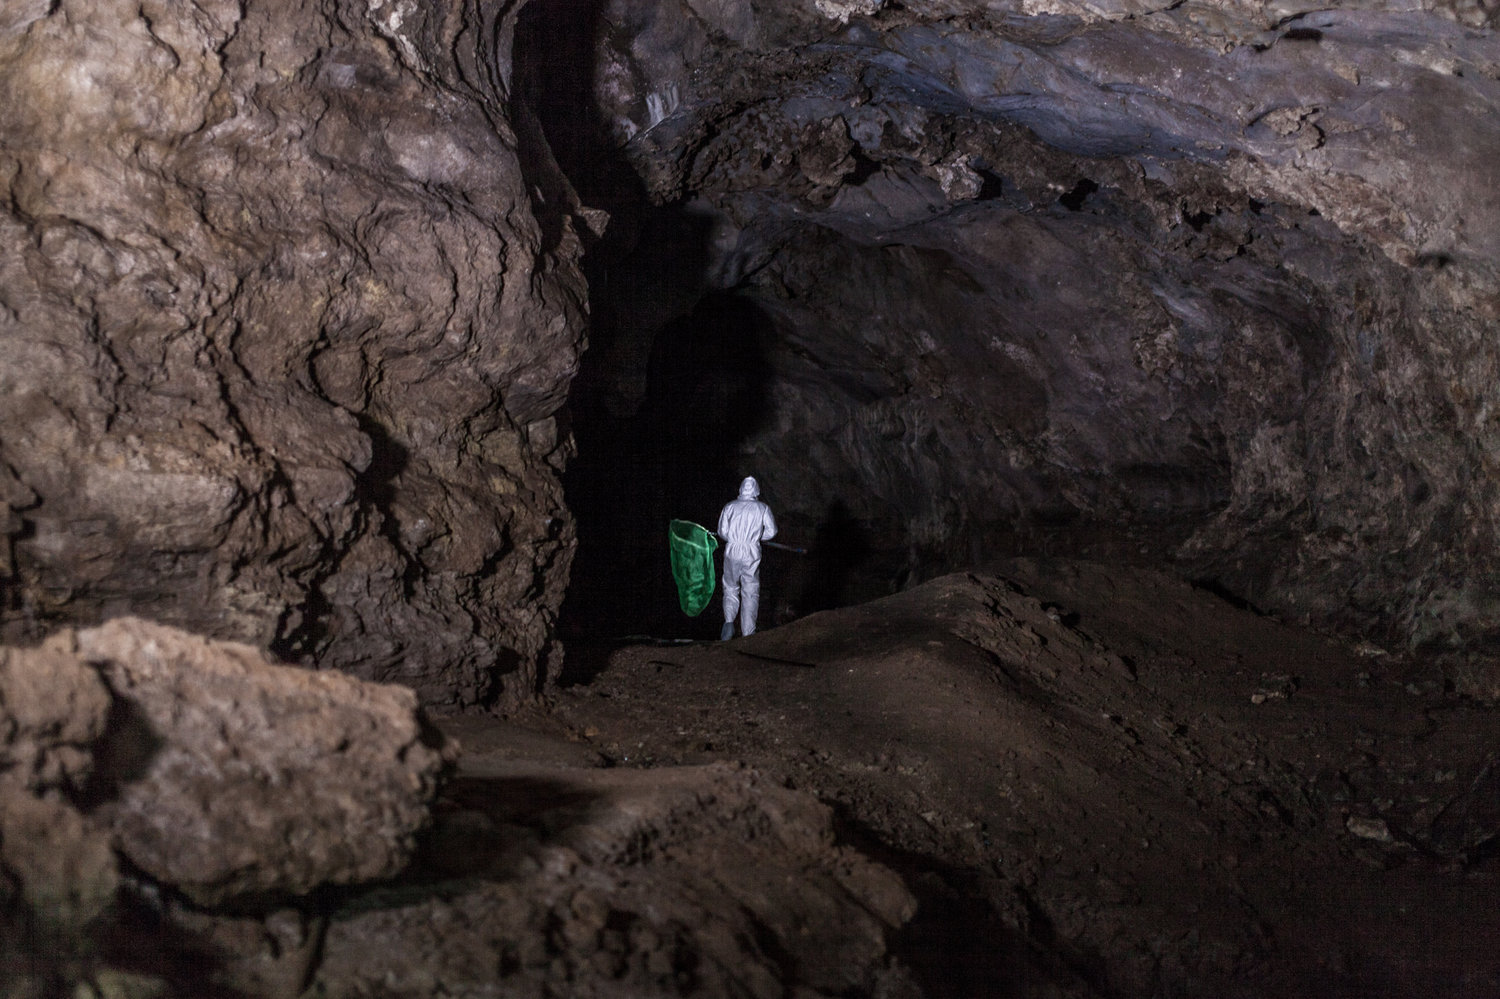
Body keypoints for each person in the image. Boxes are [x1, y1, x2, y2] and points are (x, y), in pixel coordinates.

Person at [717, 475, 777, 640]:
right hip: (751, 551)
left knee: (730, 586)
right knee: (750, 590)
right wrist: (756, 537)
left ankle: (729, 621)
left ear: (741, 489)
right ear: (756, 490)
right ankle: (748, 633)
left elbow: (722, 531)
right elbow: (772, 531)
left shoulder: (729, 507)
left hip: (732, 549)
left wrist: (735, 538)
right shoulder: (762, 508)